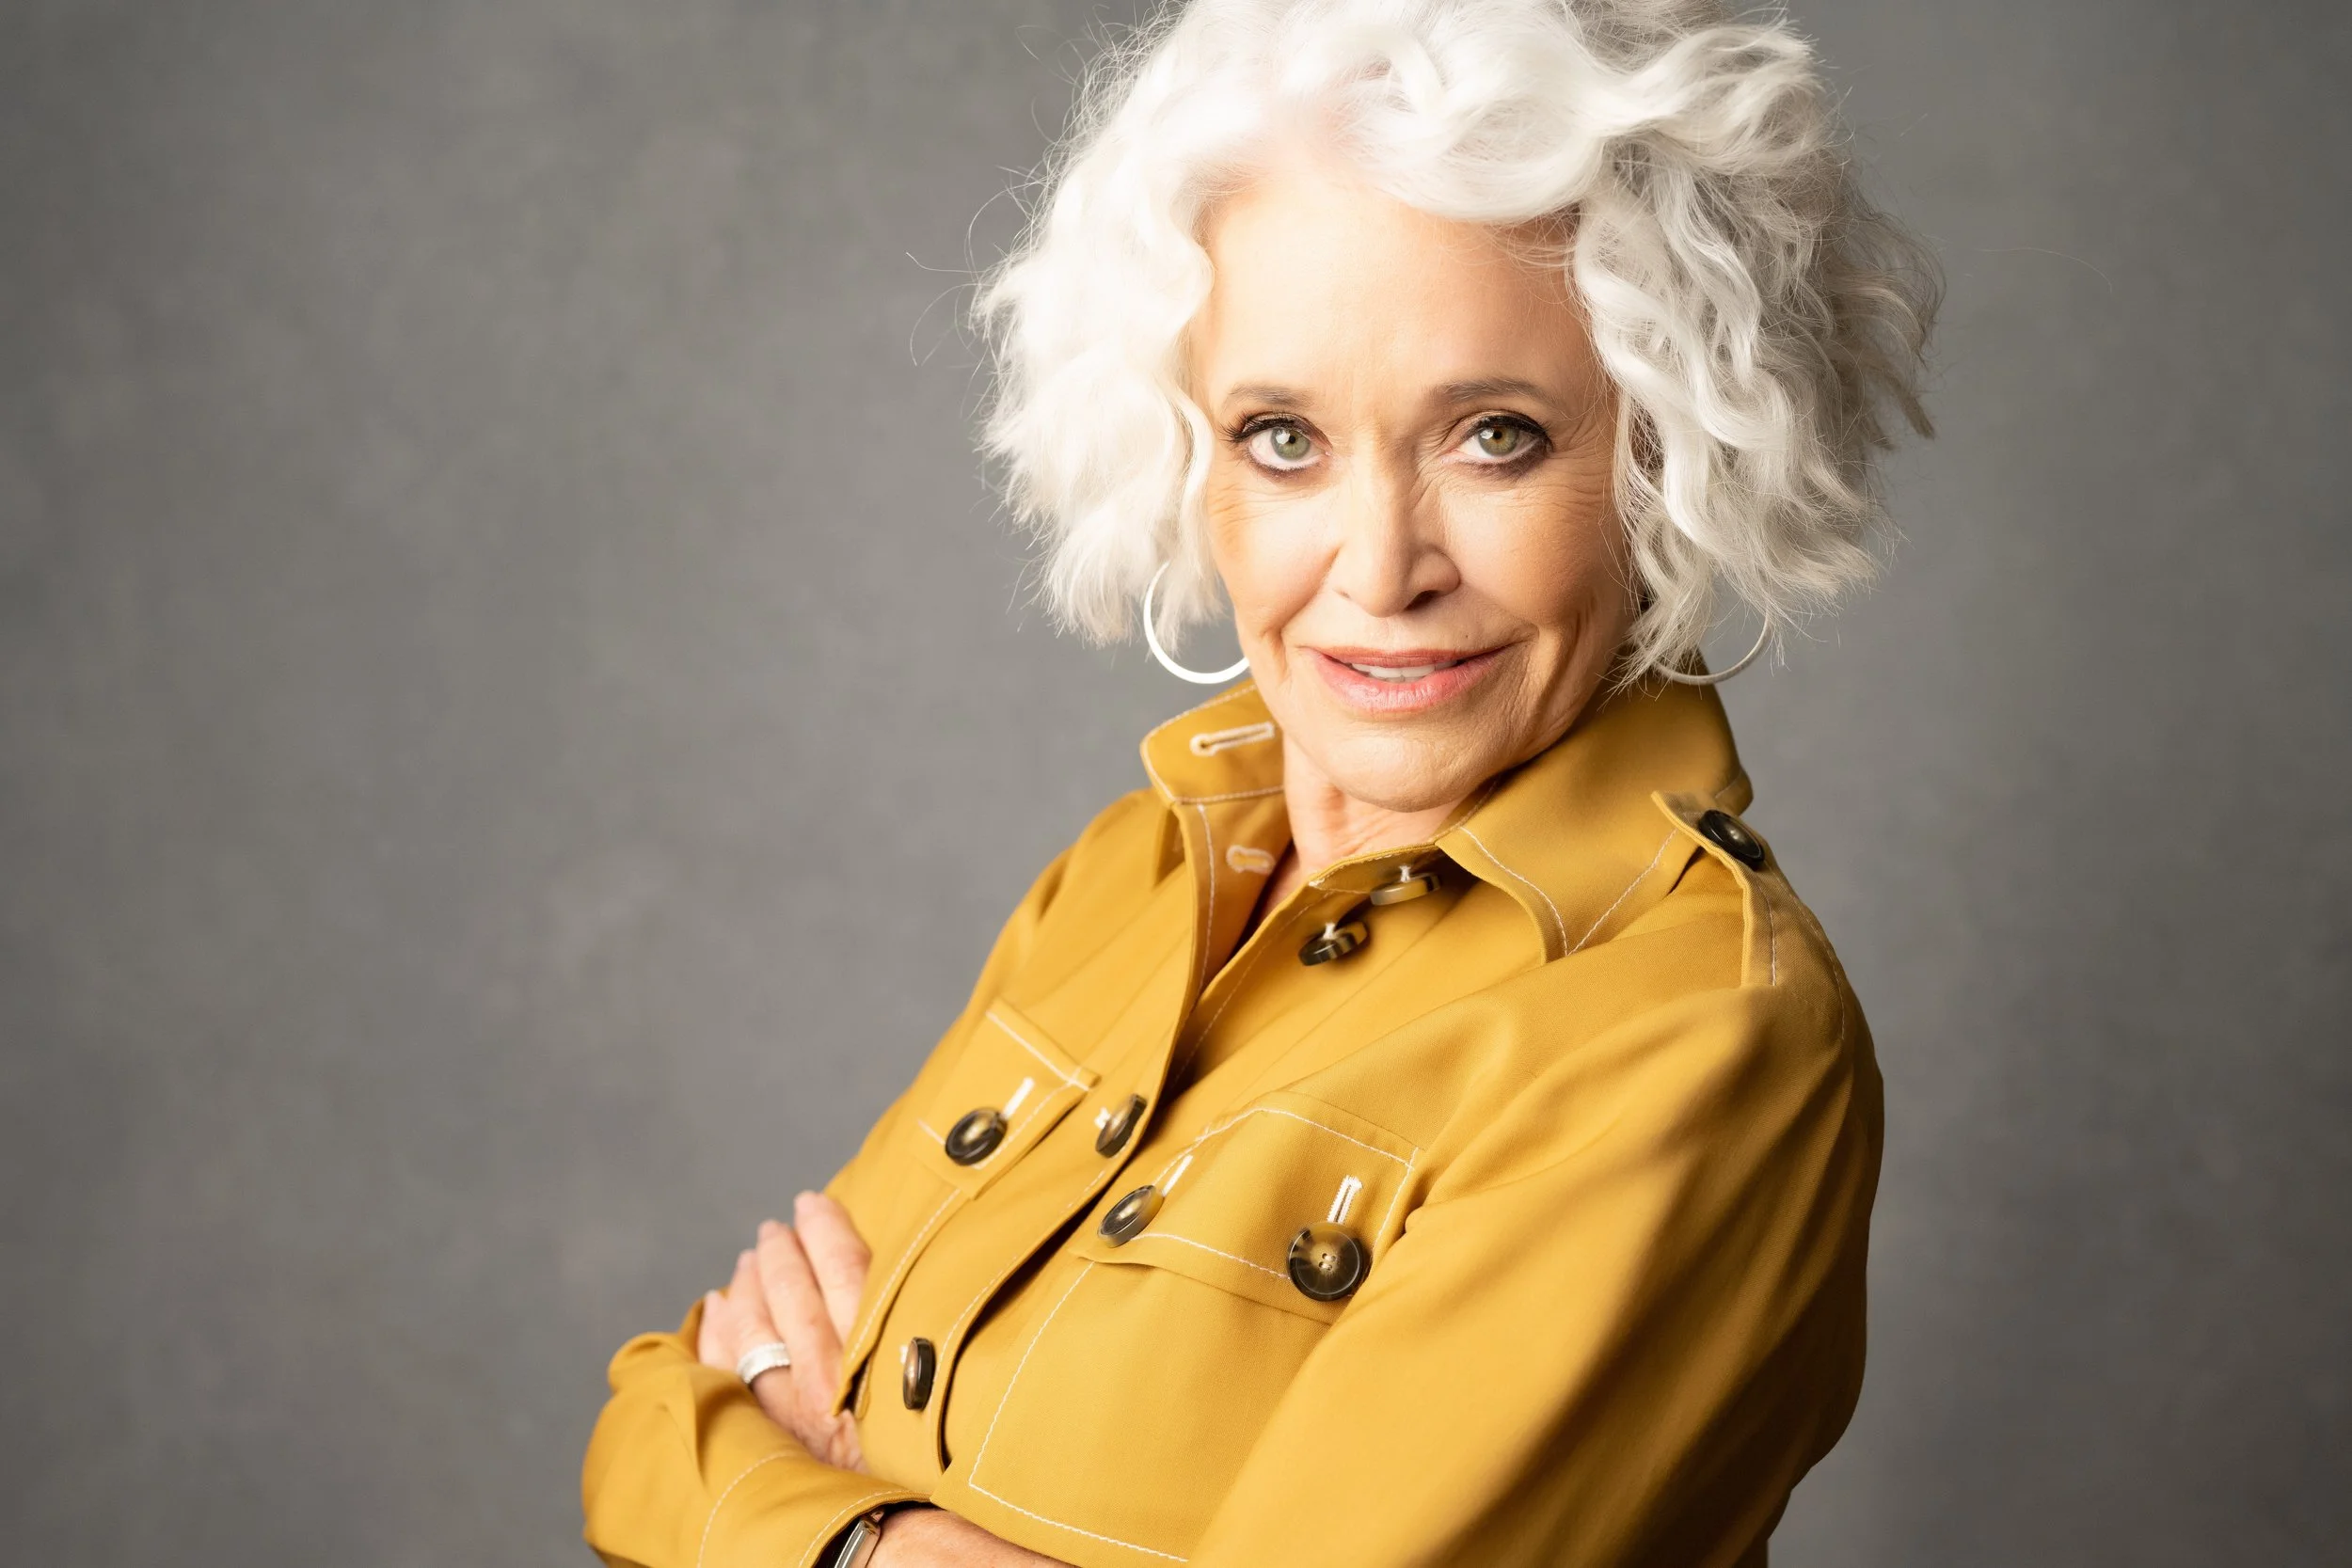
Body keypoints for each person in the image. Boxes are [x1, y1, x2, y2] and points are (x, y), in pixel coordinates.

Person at [580, 1, 1938, 1564]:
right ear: (1184, 457)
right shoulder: (1126, 874)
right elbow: (646, 1422)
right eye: (1282, 437)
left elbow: (712, 1465)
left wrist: (843, 1528)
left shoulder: (1703, 1035)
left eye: (1496, 436)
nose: (1378, 568)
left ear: (1666, 453)